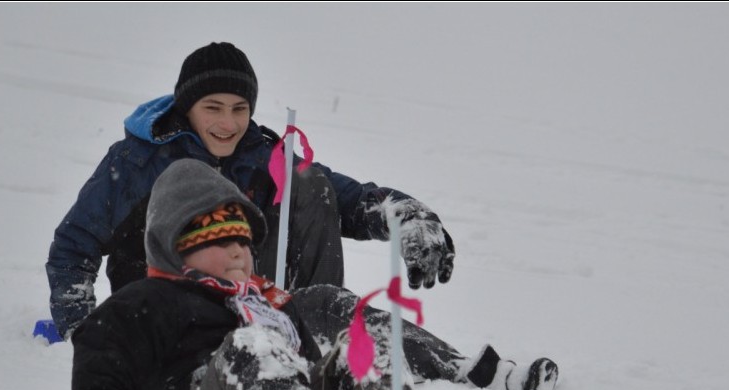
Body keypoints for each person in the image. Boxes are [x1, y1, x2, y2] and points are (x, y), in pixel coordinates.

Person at [72, 159, 466, 390]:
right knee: (251, 346)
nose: (236, 252)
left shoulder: (270, 306)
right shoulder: (143, 303)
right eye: (217, 240)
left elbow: (308, 384)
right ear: (176, 250)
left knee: (359, 350)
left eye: (242, 240)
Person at [49, 41, 456, 340]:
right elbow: (73, 247)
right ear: (186, 107)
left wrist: (408, 217)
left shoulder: (263, 154)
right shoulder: (137, 160)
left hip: (251, 301)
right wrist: (82, 334)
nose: (228, 123)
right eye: (213, 107)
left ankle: (316, 328)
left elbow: (350, 198)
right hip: (164, 312)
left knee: (311, 183)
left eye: (239, 109)